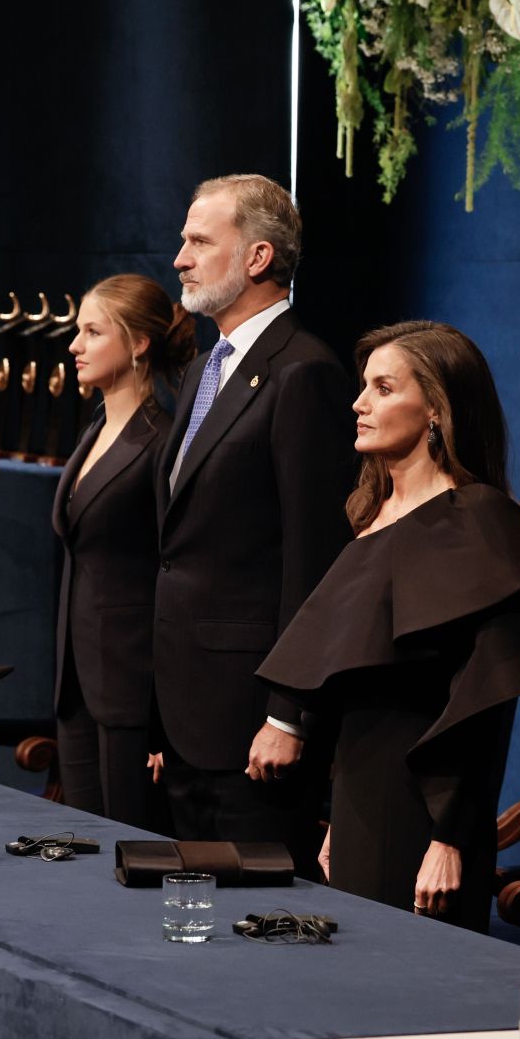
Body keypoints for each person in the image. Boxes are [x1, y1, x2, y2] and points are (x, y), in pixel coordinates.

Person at [258, 322, 520, 930]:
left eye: (383, 388)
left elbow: (486, 704)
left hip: (428, 810)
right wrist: (339, 812)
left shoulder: (478, 518)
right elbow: (352, 683)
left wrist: (451, 838)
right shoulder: (370, 516)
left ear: (437, 409)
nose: (360, 403)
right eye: (364, 386)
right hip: (362, 797)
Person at [153, 174, 354, 870]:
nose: (179, 258)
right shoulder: (208, 367)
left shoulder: (303, 373)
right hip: (186, 715)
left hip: (253, 722)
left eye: (199, 241)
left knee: (254, 933)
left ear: (259, 258)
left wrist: (288, 713)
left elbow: (316, 561)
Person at [51, 275, 194, 830]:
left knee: (134, 852)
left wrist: (163, 714)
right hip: (78, 681)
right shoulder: (94, 426)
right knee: (86, 851)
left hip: (134, 689)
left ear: (138, 343)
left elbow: (172, 572)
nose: (74, 345)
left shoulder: (161, 439)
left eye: (92, 331)